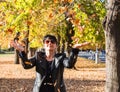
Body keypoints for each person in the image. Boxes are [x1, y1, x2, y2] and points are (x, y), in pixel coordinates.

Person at [11, 34, 90, 92]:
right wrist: (22, 52)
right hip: (40, 89)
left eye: (52, 42)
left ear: (56, 45)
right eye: (47, 41)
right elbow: (27, 65)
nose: (50, 43)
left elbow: (69, 64)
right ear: (44, 44)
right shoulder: (38, 56)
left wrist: (74, 50)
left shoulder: (61, 57)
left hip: (56, 89)